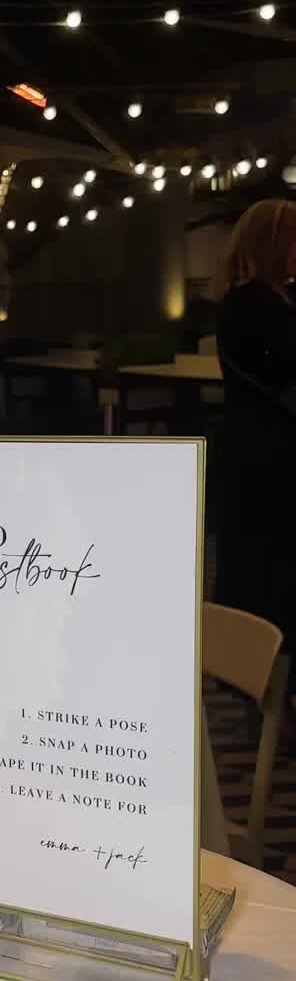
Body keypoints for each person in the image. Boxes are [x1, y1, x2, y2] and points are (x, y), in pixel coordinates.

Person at [214, 199, 296, 651]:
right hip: (270, 461)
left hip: (262, 455)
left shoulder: (264, 302)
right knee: (271, 577)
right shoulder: (254, 305)